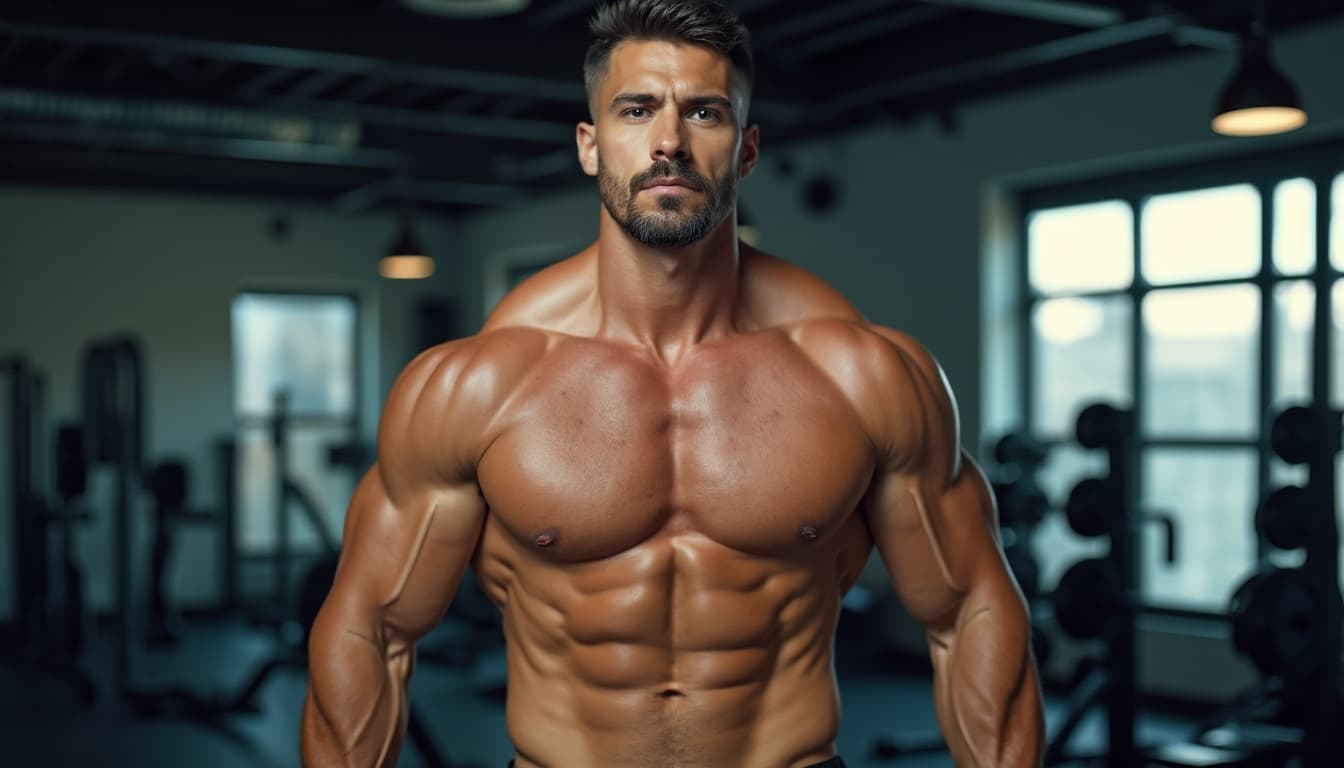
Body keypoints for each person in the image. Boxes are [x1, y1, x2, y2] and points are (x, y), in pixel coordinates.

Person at [301, 1, 1044, 765]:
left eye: (705, 112)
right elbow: (370, 629)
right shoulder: (477, 386)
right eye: (636, 109)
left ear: (747, 149)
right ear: (590, 145)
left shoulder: (866, 375)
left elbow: (970, 610)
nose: (669, 142)